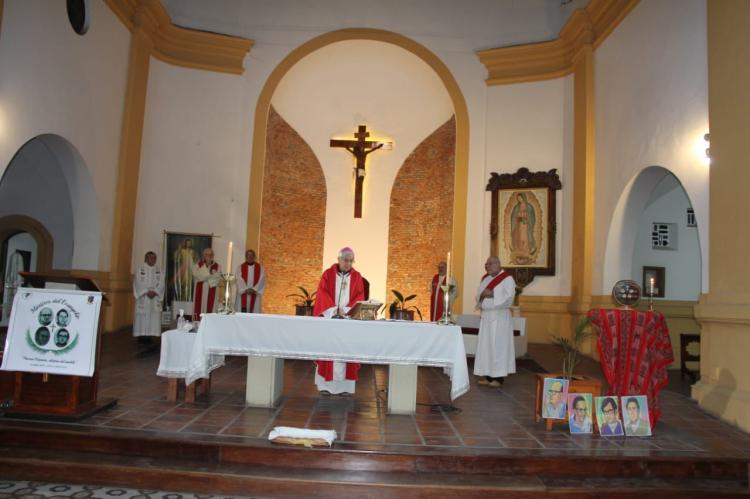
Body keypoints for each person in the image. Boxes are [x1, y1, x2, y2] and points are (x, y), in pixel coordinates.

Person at [312, 247, 365, 395]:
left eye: (350, 261)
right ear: (339, 259)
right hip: (330, 320)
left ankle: (346, 388)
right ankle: (325, 387)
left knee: (347, 351)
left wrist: (347, 311)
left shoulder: (357, 277)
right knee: (328, 350)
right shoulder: (328, 275)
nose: (348, 263)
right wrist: (333, 310)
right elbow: (322, 293)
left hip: (348, 321)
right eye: (345, 260)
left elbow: (360, 296)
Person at [474, 256, 516, 387]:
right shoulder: (486, 279)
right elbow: (479, 295)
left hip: (499, 318)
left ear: (498, 264)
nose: (488, 267)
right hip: (486, 318)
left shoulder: (507, 279)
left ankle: (498, 378)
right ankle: (487, 376)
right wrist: (482, 297)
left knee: (497, 347)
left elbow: (509, 297)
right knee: (486, 347)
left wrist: (491, 294)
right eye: (486, 265)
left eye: (490, 264)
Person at [133, 251, 165, 338]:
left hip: (154, 298)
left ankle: (151, 335)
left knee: (154, 316)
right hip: (144, 297)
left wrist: (155, 292)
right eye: (150, 258)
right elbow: (138, 282)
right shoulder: (140, 269)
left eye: (154, 258)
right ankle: (141, 336)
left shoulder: (159, 270)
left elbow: (162, 283)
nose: (152, 260)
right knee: (142, 316)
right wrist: (146, 291)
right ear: (146, 259)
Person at [192, 248, 221, 321]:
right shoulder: (198, 265)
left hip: (212, 291)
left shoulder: (218, 266)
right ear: (204, 256)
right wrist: (210, 274)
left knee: (211, 310)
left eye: (211, 255)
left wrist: (205, 276)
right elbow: (197, 276)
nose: (209, 256)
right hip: (200, 291)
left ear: (213, 256)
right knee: (199, 309)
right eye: (207, 255)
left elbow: (216, 280)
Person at [510, 192, 537, 265]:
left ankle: (526, 253)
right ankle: (519, 253)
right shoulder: (516, 207)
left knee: (524, 238)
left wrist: (526, 219)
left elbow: (532, 217)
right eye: (518, 198)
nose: (519, 199)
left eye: (520, 198)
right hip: (519, 226)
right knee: (519, 238)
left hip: (526, 226)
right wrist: (517, 218)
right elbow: (513, 217)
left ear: (523, 197)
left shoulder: (529, 207)